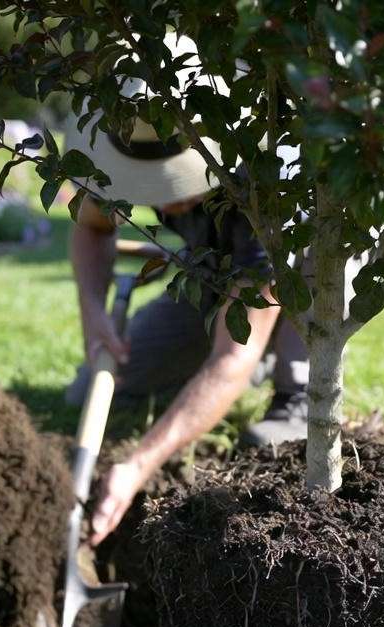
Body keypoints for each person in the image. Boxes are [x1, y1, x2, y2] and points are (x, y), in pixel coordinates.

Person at [63, 98, 308, 545]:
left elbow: (231, 358)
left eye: (172, 182)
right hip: (211, 270)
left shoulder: (265, 192)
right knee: (88, 389)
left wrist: (139, 464)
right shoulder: (122, 148)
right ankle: (236, 366)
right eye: (151, 184)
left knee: (304, 285)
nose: (166, 201)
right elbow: (93, 228)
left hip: (307, 263)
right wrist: (94, 313)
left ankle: (297, 392)